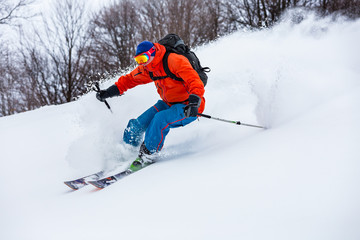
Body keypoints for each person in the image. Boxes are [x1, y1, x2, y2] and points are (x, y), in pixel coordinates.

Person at [96, 40, 205, 172]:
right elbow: (129, 80)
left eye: (143, 58)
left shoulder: (174, 61)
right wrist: (108, 92)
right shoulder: (147, 68)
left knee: (160, 119)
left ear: (153, 53)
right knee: (137, 125)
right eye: (138, 60)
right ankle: (127, 151)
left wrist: (194, 102)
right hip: (167, 103)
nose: (142, 63)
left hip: (189, 105)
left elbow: (194, 80)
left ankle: (148, 154)